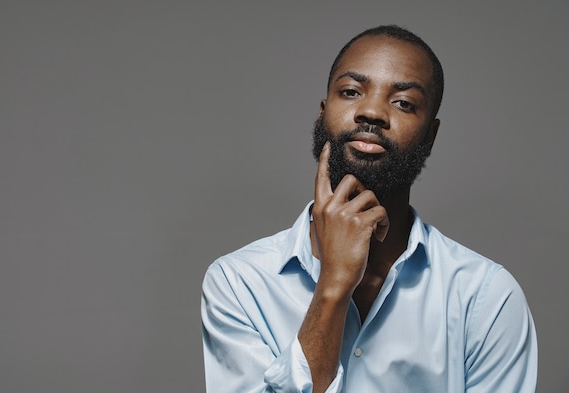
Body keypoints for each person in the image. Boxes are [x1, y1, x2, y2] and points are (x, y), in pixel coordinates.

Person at [201, 25, 537, 393]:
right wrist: (333, 286)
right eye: (351, 92)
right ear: (322, 114)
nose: (372, 111)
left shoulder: (486, 298)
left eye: (404, 102)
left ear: (430, 138)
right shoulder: (238, 283)